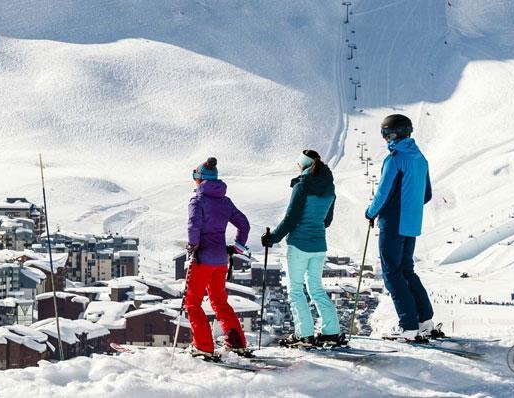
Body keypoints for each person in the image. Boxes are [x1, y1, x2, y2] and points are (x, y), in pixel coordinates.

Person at [365, 114, 438, 342]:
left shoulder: (395, 159)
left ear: (393, 134)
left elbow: (383, 193)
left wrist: (370, 212)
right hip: (411, 223)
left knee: (392, 274)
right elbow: (426, 194)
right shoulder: (420, 158)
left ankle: (408, 327)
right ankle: (425, 321)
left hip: (393, 222)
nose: (385, 139)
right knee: (407, 270)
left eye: (386, 134)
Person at [261, 150, 345, 348]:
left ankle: (304, 334)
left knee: (296, 290)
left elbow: (291, 218)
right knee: (316, 288)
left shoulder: (302, 185)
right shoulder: (330, 187)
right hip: (319, 245)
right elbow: (327, 221)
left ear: (304, 165)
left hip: (299, 244)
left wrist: (272, 238)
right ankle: (331, 331)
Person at [184, 157, 252, 356]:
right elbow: (244, 225)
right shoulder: (225, 201)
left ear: (199, 178)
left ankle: (203, 346)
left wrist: (193, 246)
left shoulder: (197, 200)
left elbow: (193, 226)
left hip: (202, 259)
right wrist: (237, 248)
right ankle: (236, 342)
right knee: (219, 301)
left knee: (192, 303)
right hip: (221, 260)